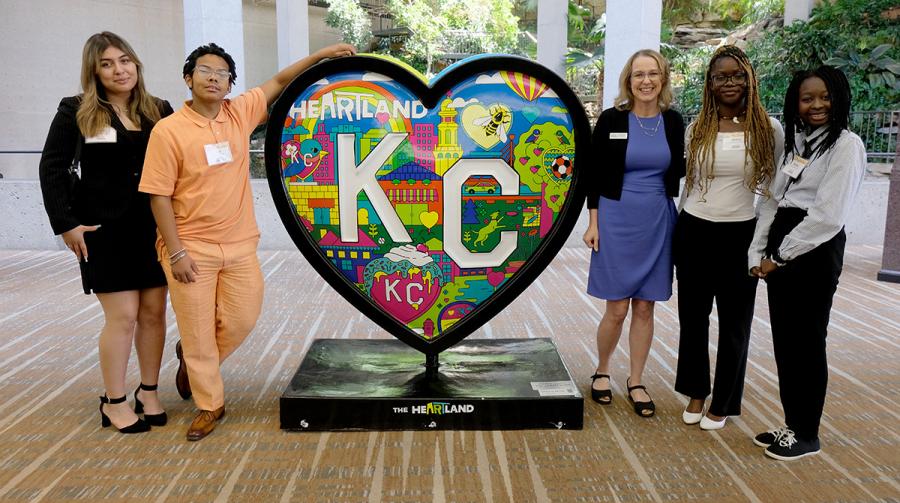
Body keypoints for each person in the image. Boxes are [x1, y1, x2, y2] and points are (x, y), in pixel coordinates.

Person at [139, 42, 355, 441]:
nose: (213, 78)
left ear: (229, 84)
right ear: (188, 78)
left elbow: (278, 80)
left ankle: (192, 362)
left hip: (239, 244)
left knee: (241, 319)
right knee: (198, 328)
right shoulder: (168, 131)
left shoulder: (238, 113)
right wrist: (177, 251)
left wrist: (321, 55)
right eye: (205, 71)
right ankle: (210, 404)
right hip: (191, 247)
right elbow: (158, 196)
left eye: (222, 74)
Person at [39, 32, 173, 433]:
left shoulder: (159, 109)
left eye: (126, 60)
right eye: (108, 63)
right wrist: (66, 224)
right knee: (124, 317)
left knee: (153, 314)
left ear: (137, 64)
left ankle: (148, 391)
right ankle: (113, 401)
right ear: (94, 71)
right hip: (103, 228)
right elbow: (53, 168)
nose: (120, 70)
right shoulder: (76, 110)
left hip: (152, 227)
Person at [749, 66, 865, 460]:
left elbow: (828, 216)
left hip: (812, 250)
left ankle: (808, 433)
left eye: (825, 97)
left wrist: (779, 257)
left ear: (839, 98)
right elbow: (773, 198)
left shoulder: (846, 146)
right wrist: (758, 251)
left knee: (808, 342)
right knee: (786, 341)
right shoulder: (799, 144)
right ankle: (792, 424)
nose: (817, 105)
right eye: (807, 98)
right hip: (784, 244)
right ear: (795, 103)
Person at [673, 45, 783, 431]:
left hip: (741, 233)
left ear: (749, 79)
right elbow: (690, 185)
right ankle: (696, 391)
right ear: (710, 83)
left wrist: (762, 244)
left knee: (735, 323)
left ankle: (723, 401)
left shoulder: (768, 129)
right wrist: (677, 236)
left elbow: (772, 192)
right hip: (695, 229)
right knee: (693, 318)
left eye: (737, 75)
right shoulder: (696, 129)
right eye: (721, 76)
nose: (730, 82)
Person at [583, 49, 685, 417]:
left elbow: (684, 168)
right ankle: (602, 370)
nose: (646, 81)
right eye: (638, 74)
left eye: (653, 74)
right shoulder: (612, 118)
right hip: (615, 218)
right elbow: (593, 175)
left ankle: (636, 380)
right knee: (617, 308)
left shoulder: (674, 122)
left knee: (645, 306)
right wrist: (592, 223)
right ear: (629, 80)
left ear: (663, 79)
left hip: (658, 218)